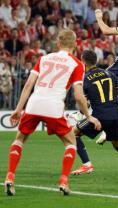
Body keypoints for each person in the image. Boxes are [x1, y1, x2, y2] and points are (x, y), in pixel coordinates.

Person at [4, 29, 101, 196]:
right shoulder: (77, 64)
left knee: (19, 139)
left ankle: (10, 177)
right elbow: (78, 96)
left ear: (58, 44)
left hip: (34, 103)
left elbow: (28, 85)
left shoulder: (43, 58)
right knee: (71, 142)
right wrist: (89, 116)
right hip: (53, 107)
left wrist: (18, 109)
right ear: (75, 44)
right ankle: (64, 180)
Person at [70, 50, 118, 178]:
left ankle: (86, 164)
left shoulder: (86, 79)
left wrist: (83, 113)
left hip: (100, 116)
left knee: (73, 133)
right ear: (96, 60)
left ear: (83, 61)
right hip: (115, 115)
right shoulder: (110, 74)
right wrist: (112, 103)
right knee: (117, 144)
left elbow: (84, 103)